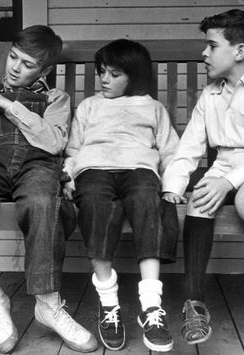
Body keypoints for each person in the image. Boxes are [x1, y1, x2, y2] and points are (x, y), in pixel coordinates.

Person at [0, 25, 97, 354]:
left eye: (27, 64)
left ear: (45, 71)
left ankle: (48, 304)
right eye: (13, 57)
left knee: (43, 202)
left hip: (37, 167)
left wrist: (5, 104)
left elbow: (53, 142)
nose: (14, 67)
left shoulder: (56, 98)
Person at [165, 9, 244, 345]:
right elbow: (189, 149)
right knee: (199, 199)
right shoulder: (209, 95)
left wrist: (228, 182)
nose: (204, 53)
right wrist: (174, 188)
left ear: (239, 52)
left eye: (211, 45)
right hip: (222, 167)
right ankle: (193, 303)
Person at [63, 39, 180, 352]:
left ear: (134, 75)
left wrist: (173, 187)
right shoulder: (89, 106)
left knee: (147, 200)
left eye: (114, 74)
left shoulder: (153, 107)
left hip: (140, 169)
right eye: (102, 72)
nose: (104, 79)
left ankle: (151, 307)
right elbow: (74, 149)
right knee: (96, 204)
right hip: (94, 169)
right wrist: (68, 176)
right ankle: (108, 303)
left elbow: (170, 151)